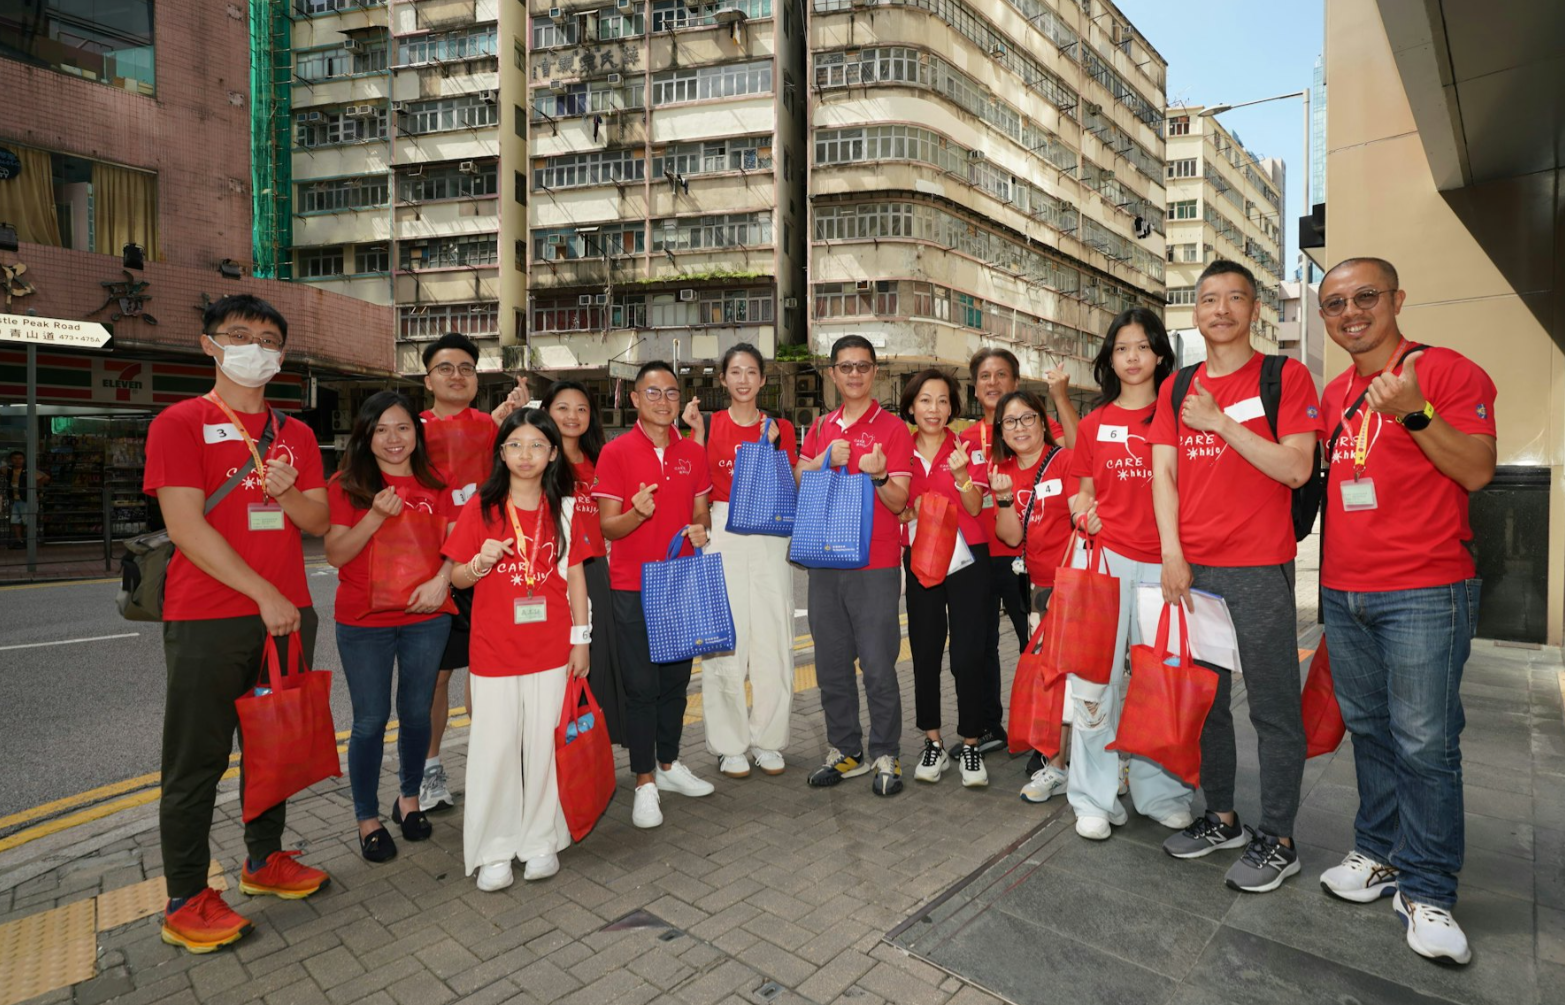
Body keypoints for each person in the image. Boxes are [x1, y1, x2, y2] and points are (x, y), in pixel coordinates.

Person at [1315, 257, 1495, 964]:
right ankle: (1380, 852)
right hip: (1343, 587)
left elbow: (1477, 469)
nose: (1349, 312)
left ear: (1396, 299)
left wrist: (1412, 412)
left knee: (1425, 741)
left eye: (1364, 297)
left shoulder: (1445, 371)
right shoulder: (1335, 393)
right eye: (1333, 303)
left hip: (1423, 586)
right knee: (1369, 730)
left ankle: (1428, 889)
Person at [144, 294, 331, 953]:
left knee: (274, 744)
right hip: (208, 616)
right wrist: (262, 594)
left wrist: (284, 492)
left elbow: (317, 522)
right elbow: (185, 527)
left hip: (287, 615)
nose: (256, 346)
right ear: (210, 345)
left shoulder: (297, 434)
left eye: (269, 338)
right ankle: (185, 896)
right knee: (196, 758)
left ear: (281, 356)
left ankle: (264, 859)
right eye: (240, 334)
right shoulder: (181, 422)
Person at [1151, 259, 1324, 893]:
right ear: (1194, 313)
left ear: (1255, 311)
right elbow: (1164, 474)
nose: (1220, 309)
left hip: (1258, 567)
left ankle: (1278, 838)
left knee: (1275, 707)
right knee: (1206, 706)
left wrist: (1223, 424)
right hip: (1195, 571)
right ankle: (1220, 816)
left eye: (1235, 298)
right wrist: (1172, 550)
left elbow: (1297, 470)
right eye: (1208, 300)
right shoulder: (1177, 387)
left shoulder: (1285, 375)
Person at [443, 409, 590, 891]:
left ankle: (540, 839)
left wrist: (581, 639)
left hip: (551, 649)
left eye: (536, 446)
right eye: (515, 445)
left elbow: (574, 577)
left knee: (545, 746)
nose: (525, 455)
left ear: (552, 453)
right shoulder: (481, 508)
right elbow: (457, 577)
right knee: (496, 748)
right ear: (501, 453)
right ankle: (494, 848)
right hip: (494, 650)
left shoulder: (565, 508)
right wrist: (479, 562)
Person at [1062, 309, 1192, 840]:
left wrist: (1175, 554)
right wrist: (1081, 511)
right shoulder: (1094, 424)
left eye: (1142, 347)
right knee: (1095, 683)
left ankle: (1160, 792)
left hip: (1166, 565)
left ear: (1161, 354)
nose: (1132, 358)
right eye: (1121, 348)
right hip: (1106, 564)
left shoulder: (1181, 415)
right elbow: (1081, 490)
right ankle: (1093, 798)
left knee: (1159, 684)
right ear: (1109, 358)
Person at [324, 391, 455, 863]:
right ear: (366, 435)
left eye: (402, 427)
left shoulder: (436, 484)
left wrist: (442, 581)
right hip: (363, 619)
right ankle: (367, 818)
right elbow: (336, 553)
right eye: (381, 429)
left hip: (427, 618)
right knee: (370, 721)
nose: (393, 438)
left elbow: (456, 546)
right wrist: (377, 514)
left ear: (416, 434)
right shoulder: (346, 484)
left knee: (417, 714)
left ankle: (409, 800)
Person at [593, 361, 716, 828]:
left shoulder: (693, 454)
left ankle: (668, 764)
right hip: (632, 585)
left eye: (670, 393)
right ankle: (643, 780)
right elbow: (608, 524)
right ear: (634, 400)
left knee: (675, 686)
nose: (663, 401)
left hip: (682, 582)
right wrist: (636, 514)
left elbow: (700, 512)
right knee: (641, 688)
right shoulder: (616, 453)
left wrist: (701, 531)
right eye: (653, 393)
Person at [799, 335, 915, 796]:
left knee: (878, 663)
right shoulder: (820, 426)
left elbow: (900, 499)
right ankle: (845, 750)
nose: (854, 374)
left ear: (875, 372)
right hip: (824, 560)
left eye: (863, 366)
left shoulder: (892, 429)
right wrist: (825, 461)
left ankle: (885, 752)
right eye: (845, 366)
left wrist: (879, 474)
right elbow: (798, 479)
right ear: (832, 373)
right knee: (829, 664)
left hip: (875, 563)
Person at [417, 332, 523, 813]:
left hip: (484, 564)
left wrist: (509, 419)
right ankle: (429, 768)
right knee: (436, 677)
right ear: (428, 379)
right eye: (446, 368)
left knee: (486, 673)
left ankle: (489, 762)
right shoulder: (409, 429)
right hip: (430, 566)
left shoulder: (489, 427)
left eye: (466, 368)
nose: (456, 376)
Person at [683, 344, 800, 778]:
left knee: (773, 637)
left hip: (770, 532)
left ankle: (769, 739)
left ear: (763, 380)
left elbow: (789, 487)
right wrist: (694, 433)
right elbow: (696, 482)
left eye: (752, 372)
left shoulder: (779, 428)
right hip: (722, 530)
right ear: (723, 380)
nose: (744, 380)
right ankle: (729, 744)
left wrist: (771, 450)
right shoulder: (710, 424)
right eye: (735, 372)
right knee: (724, 641)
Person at [962, 349, 1079, 758]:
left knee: (1038, 648)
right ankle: (998, 727)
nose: (993, 383)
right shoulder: (968, 438)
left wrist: (1060, 397)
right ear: (975, 388)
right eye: (985, 377)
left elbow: (1079, 459)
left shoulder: (1036, 429)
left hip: (1035, 563)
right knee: (986, 647)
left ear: (1015, 383)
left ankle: (1050, 744)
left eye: (1002, 375)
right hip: (985, 553)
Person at [898, 369, 991, 787]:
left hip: (968, 560)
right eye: (925, 400)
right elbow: (894, 505)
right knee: (925, 647)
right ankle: (932, 740)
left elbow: (974, 507)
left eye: (942, 401)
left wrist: (961, 476)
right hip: (922, 559)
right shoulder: (900, 450)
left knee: (968, 654)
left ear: (953, 407)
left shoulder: (968, 446)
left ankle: (970, 743)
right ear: (912, 406)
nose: (933, 409)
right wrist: (905, 511)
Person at [987, 390, 1078, 804]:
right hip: (1041, 591)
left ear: (1043, 423)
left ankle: (1095, 765)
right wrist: (1004, 496)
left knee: (1086, 682)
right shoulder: (1001, 470)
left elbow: (1082, 511)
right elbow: (1010, 537)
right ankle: (1056, 764)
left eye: (1027, 419)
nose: (1019, 428)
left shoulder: (1063, 460)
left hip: (1078, 587)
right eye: (1010, 421)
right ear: (1000, 431)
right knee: (1051, 680)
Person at [543, 380, 627, 747]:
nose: (572, 416)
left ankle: (584, 748)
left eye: (581, 409)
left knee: (594, 660)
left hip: (593, 569)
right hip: (551, 570)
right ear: (546, 411)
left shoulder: (601, 459)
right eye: (563, 407)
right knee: (554, 662)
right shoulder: (538, 457)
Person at [6, 449, 49, 549]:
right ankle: (20, 540)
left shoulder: (29, 469)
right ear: (11, 460)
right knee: (15, 521)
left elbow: (46, 477)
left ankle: (29, 540)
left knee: (28, 521)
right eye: (15, 459)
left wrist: (34, 485)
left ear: (24, 459)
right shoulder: (9, 470)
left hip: (28, 499)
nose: (17, 461)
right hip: (16, 499)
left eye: (20, 458)